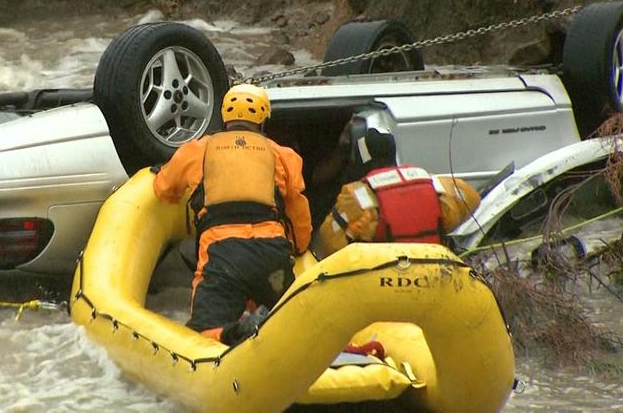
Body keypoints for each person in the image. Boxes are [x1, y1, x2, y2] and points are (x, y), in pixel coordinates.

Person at [153, 83, 312, 346]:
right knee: (291, 329)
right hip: (271, 252)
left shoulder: (198, 149)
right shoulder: (283, 155)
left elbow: (163, 190)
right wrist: (298, 247)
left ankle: (234, 333)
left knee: (204, 334)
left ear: (225, 118)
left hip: (222, 254)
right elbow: (298, 211)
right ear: (262, 121)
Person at [313, 117, 481, 258]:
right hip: (431, 269)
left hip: (386, 279)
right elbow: (471, 198)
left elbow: (327, 245)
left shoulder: (357, 197)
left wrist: (352, 234)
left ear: (361, 158)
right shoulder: (430, 184)